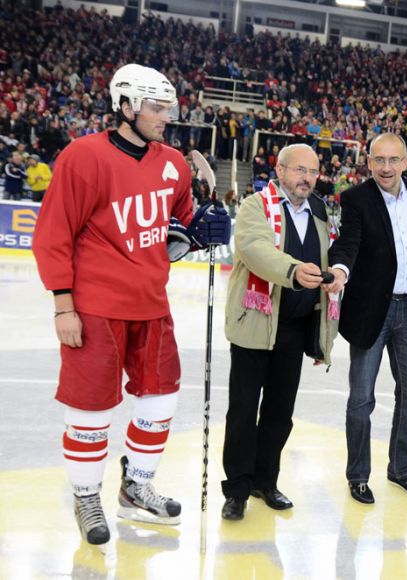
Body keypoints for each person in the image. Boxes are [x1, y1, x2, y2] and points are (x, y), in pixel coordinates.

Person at [31, 64, 230, 546]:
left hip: (152, 302)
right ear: (126, 107)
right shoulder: (83, 158)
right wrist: (63, 306)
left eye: (168, 108)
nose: (166, 117)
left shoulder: (173, 164)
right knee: (90, 408)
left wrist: (203, 229)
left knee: (160, 398)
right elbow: (53, 235)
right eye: (157, 108)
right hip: (95, 306)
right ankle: (85, 494)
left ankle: (136, 484)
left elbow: (175, 234)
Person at [220, 144, 339, 520]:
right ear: (280, 170)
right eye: (299, 170)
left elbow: (329, 258)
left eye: (313, 172)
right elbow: (254, 249)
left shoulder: (320, 211)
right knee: (242, 410)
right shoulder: (256, 205)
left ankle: (265, 481)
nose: (307, 178)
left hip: (294, 328)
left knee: (279, 412)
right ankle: (237, 488)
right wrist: (291, 271)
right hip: (255, 324)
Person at [324, 133, 407, 505]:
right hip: (372, 310)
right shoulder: (356, 199)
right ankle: (358, 475)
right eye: (378, 160)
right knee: (361, 399)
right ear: (368, 162)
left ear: (406, 161)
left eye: (393, 160)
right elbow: (349, 242)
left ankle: (400, 468)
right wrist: (339, 270)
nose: (386, 168)